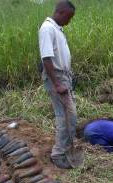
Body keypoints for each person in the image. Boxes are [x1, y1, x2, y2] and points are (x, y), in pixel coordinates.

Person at [39, 1, 76, 169]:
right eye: (68, 17)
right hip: (57, 78)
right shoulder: (47, 29)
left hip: (63, 77)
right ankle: (58, 153)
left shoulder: (56, 29)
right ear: (60, 12)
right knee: (65, 116)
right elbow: (46, 58)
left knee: (69, 116)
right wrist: (57, 84)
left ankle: (65, 149)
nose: (69, 21)